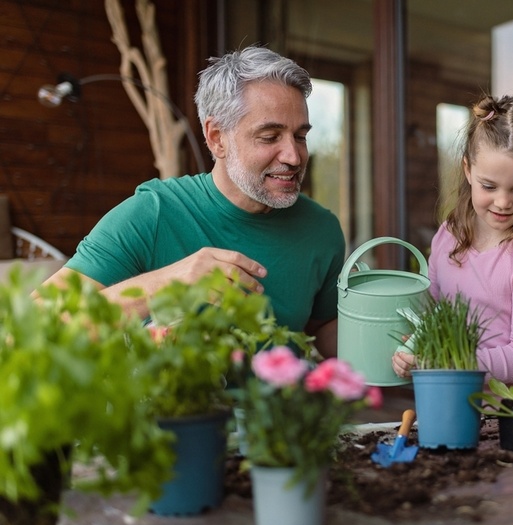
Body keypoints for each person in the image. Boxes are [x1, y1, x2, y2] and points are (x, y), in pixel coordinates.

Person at [39, 46, 345, 358]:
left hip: (283, 407)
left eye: (301, 137)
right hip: (174, 407)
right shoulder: (153, 213)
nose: (294, 156)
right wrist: (170, 282)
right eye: (269, 137)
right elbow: (38, 324)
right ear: (216, 137)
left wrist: (384, 336)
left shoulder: (322, 230)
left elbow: (318, 333)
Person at [392, 94, 513, 389]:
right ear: (468, 170)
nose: (502, 202)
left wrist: (450, 361)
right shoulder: (449, 234)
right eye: (489, 186)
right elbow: (428, 319)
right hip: (445, 402)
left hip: (509, 417)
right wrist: (412, 350)